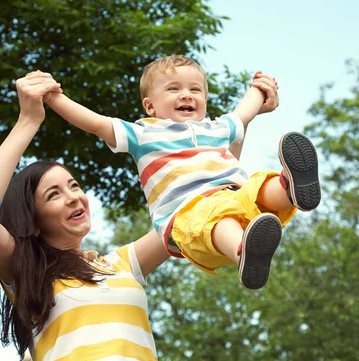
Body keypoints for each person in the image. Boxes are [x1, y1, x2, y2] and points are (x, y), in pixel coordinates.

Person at [0, 71, 169, 361]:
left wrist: (237, 126)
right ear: (34, 220)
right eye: (53, 194)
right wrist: (28, 121)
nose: (74, 196)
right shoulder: (27, 273)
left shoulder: (120, 265)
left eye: (73, 186)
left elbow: (187, 216)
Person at [45, 55, 321, 289]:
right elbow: (95, 123)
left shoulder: (214, 127)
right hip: (187, 215)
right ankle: (244, 251)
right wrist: (55, 98)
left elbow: (243, 114)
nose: (186, 95)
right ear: (150, 106)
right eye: (174, 89)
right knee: (216, 217)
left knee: (259, 185)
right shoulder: (144, 133)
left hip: (234, 194)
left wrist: (260, 88)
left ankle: (290, 188)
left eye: (195, 90)